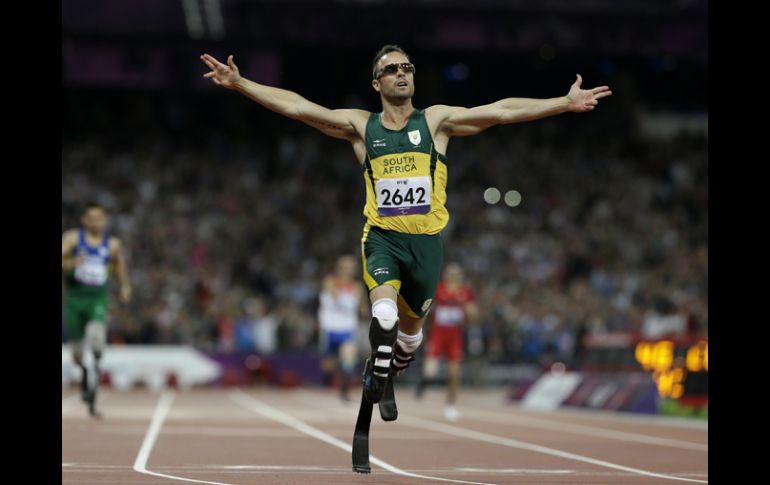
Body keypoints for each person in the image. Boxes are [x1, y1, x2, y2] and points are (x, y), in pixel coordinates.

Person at [200, 44, 611, 405]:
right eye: (392, 69)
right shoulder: (362, 126)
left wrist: (562, 102)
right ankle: (378, 358)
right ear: (376, 82)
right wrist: (242, 83)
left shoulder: (435, 122)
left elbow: (501, 111)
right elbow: (298, 107)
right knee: (383, 316)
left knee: (411, 336)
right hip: (382, 238)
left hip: (426, 245)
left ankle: (393, 365)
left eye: (407, 67)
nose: (402, 73)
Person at [62, 202, 132, 417]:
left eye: (99, 218)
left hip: (97, 299)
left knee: (96, 337)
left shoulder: (112, 244)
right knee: (77, 354)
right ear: (84, 220)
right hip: (74, 300)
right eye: (91, 218)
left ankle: (95, 372)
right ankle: (84, 371)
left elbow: (119, 264)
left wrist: (125, 285)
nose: (96, 222)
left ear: (105, 220)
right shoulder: (73, 239)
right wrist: (71, 264)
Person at [415, 263, 478, 421]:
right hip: (438, 334)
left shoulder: (465, 292)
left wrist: (471, 312)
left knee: (454, 374)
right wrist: (421, 329)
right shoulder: (439, 289)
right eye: (451, 273)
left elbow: (473, 315)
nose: (454, 277)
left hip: (455, 336)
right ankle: (424, 382)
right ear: (446, 275)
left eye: (457, 274)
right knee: (430, 371)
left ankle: (451, 406)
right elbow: (426, 309)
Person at [318, 255, 368, 401]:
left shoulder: (358, 287)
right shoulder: (329, 281)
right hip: (330, 328)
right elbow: (332, 294)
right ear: (339, 268)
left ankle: (344, 389)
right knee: (329, 366)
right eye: (346, 267)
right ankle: (328, 379)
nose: (349, 270)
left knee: (349, 357)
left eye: (352, 267)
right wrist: (345, 294)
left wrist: (365, 310)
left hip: (347, 328)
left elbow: (363, 309)